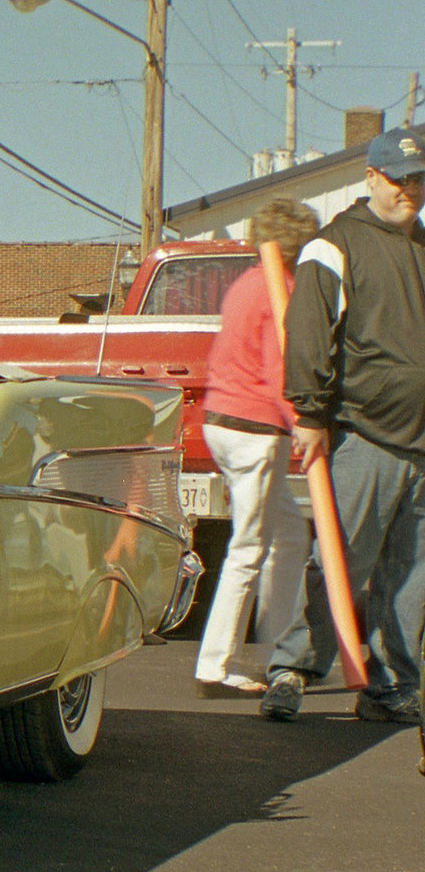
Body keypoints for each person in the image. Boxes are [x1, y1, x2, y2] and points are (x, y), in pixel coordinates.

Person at [261, 126, 425, 722]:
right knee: (339, 561)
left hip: (423, 445)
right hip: (365, 433)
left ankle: (390, 687)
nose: (411, 190)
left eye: (419, 180)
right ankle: (291, 669)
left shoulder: (423, 246)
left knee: (411, 576)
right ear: (372, 178)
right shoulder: (336, 246)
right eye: (400, 179)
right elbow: (308, 332)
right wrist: (309, 412)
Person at [192, 198, 321, 696]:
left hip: (220, 423)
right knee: (247, 550)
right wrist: (307, 424)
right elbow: (279, 372)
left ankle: (278, 649)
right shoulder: (281, 291)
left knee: (290, 534)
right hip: (254, 431)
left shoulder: (244, 284)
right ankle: (215, 666)